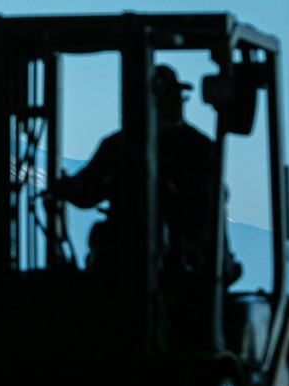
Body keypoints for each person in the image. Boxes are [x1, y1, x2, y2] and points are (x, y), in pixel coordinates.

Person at [46, 64, 241, 284]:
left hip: (184, 267)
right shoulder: (123, 145)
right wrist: (67, 187)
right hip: (130, 262)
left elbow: (208, 205)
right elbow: (88, 189)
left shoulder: (196, 149)